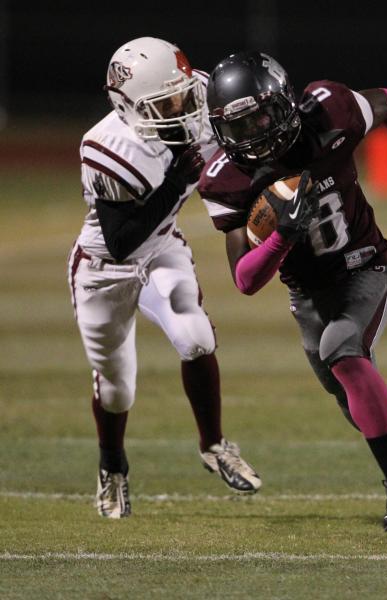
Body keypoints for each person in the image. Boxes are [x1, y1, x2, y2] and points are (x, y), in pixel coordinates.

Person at [198, 51, 387, 531]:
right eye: (238, 126)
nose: (254, 135)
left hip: (366, 265)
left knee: (342, 351)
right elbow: (245, 280)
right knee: (357, 402)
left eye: (260, 116)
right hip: (308, 295)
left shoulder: (330, 111)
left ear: (283, 102)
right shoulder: (227, 178)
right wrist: (284, 235)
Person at [67, 38, 261, 519]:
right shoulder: (107, 147)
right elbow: (119, 241)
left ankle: (214, 444)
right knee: (117, 388)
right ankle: (112, 466)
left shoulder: (192, 95)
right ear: (127, 106)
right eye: (164, 104)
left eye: (181, 96)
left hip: (161, 247)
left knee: (195, 337)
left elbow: (244, 142)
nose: (180, 107)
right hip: (102, 268)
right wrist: (178, 178)